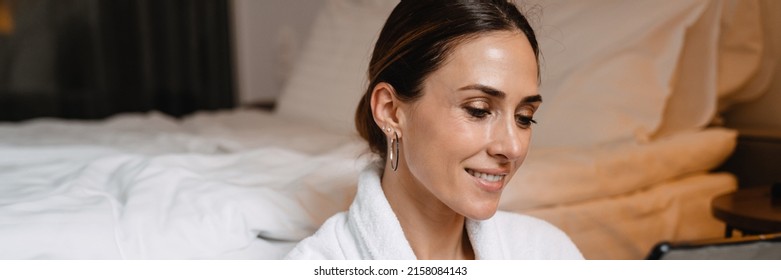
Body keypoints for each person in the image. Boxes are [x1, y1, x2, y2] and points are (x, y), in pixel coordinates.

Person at [285, 0, 583, 260]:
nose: (513, 147)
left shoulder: (547, 252)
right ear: (390, 111)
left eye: (524, 117)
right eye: (478, 110)